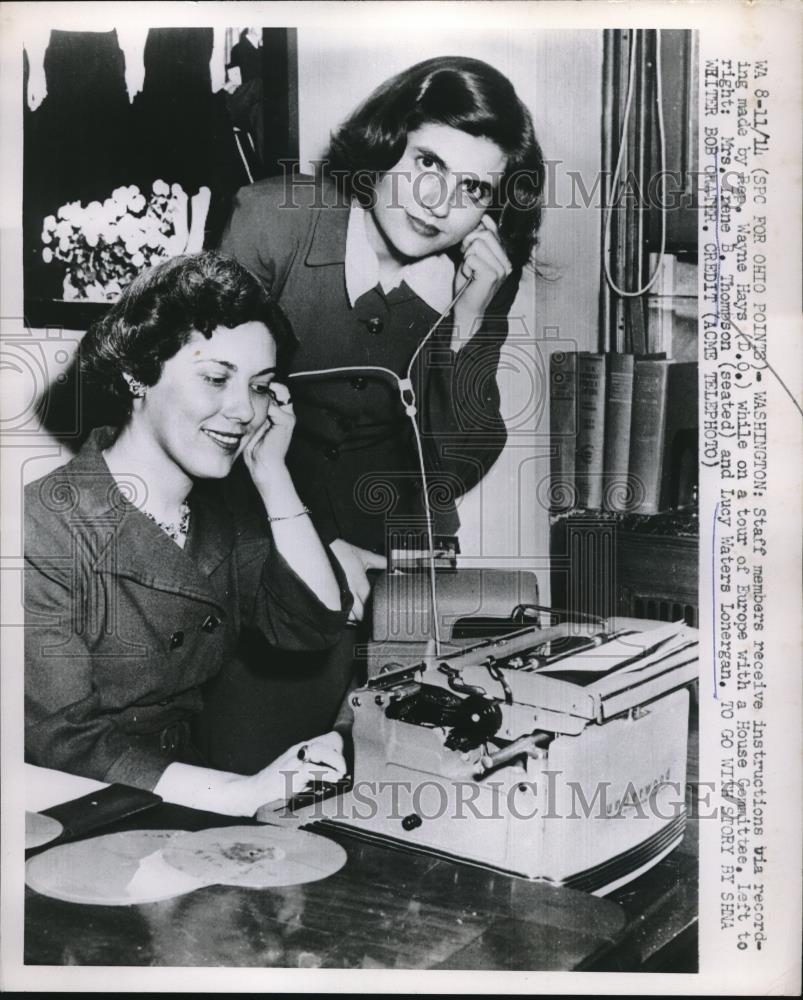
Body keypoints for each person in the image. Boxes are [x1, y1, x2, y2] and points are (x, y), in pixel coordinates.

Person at [205, 55, 546, 772]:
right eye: (426, 160)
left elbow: (455, 462)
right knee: (253, 779)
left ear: (491, 209)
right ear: (387, 141)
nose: (436, 200)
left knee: (414, 783)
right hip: (260, 546)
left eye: (472, 188)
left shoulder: (479, 279)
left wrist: (469, 322)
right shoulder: (273, 221)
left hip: (401, 572)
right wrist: (310, 548)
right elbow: (213, 419)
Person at [24, 252, 352, 816]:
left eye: (260, 386)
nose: (244, 410)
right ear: (137, 373)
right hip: (71, 810)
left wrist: (274, 476)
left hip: (176, 794)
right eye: (216, 378)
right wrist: (240, 792)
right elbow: (59, 741)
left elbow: (311, 625)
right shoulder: (42, 526)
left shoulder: (222, 512)